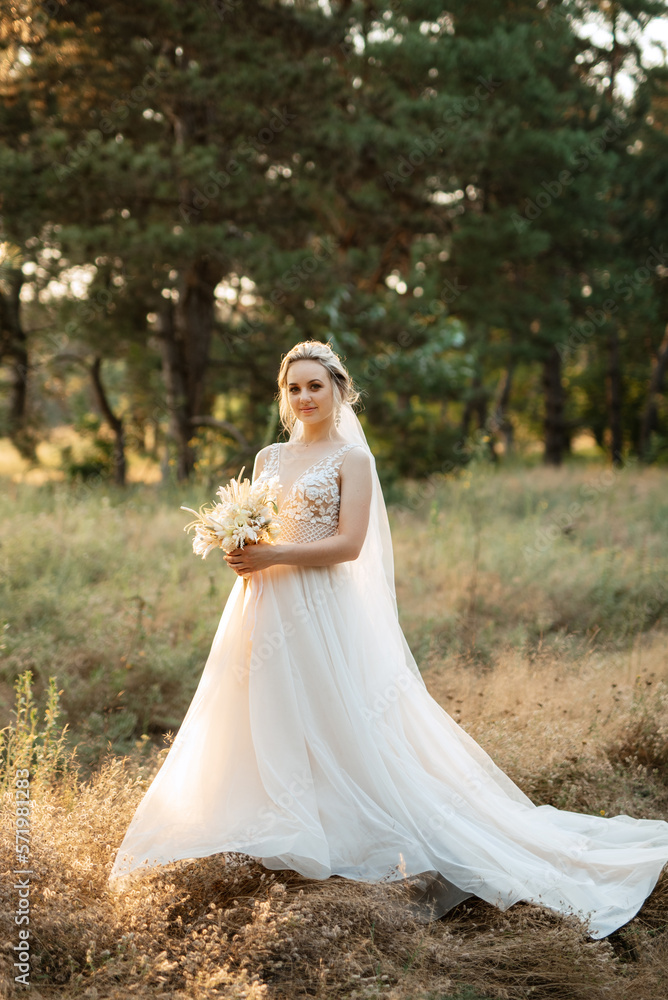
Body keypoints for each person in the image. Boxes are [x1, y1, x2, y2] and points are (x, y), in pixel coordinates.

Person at [109, 339, 668, 939]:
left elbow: (348, 545)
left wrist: (274, 552)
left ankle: (357, 831)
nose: (304, 398)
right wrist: (240, 544)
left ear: (339, 390)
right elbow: (258, 521)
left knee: (336, 717)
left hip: (322, 606)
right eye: (294, 388)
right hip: (261, 603)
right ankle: (273, 824)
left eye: (315, 386)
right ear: (284, 394)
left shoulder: (354, 460)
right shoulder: (269, 457)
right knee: (260, 712)